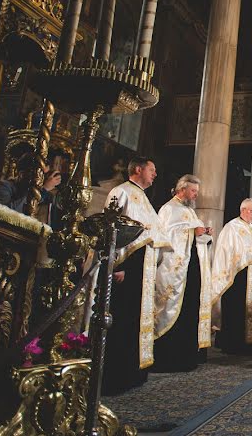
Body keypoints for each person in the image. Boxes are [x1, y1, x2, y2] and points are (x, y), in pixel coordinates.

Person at [100, 156, 168, 394]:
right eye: (152, 169)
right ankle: (117, 374)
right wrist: (117, 265)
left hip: (144, 267)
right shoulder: (121, 192)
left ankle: (133, 370)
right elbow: (113, 227)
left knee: (137, 319)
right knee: (123, 318)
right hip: (126, 266)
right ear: (138, 169)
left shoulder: (144, 198)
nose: (155, 174)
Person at [153, 174, 213, 372]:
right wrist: (191, 232)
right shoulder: (169, 209)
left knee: (189, 309)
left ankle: (187, 356)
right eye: (193, 191)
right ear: (182, 189)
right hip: (175, 270)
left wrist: (204, 235)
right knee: (175, 309)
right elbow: (165, 237)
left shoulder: (188, 211)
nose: (196, 195)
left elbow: (194, 236)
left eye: (196, 192)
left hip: (191, 268)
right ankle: (170, 358)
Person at [211, 198, 252, 353]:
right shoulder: (231, 227)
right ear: (242, 210)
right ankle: (234, 343)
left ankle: (251, 343)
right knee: (236, 309)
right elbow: (225, 252)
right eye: (251, 211)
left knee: (251, 309)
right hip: (237, 276)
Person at [0, 152, 61, 216]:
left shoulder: (42, 194)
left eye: (44, 175)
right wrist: (44, 189)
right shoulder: (3, 186)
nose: (41, 179)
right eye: (39, 175)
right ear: (21, 173)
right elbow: (3, 213)